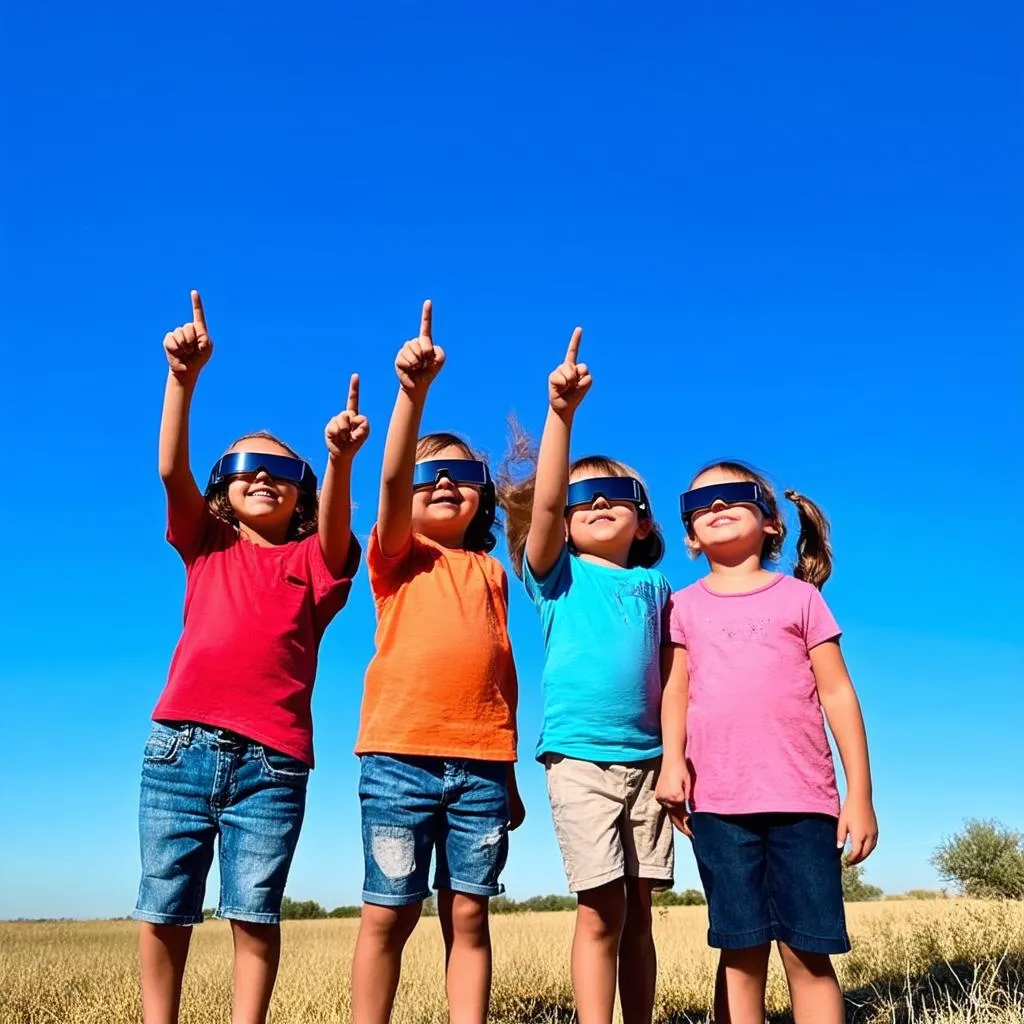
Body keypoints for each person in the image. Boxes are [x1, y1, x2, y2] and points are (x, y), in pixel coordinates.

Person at [133, 291, 367, 1024]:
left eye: (281, 469)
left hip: (272, 761)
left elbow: (336, 532)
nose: (262, 475)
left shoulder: (315, 562)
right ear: (224, 488)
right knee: (164, 907)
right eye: (243, 464)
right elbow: (172, 471)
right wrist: (183, 379)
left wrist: (336, 460)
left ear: (303, 494)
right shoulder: (208, 543)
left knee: (254, 911)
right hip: (179, 749)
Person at [350, 300, 524, 1024]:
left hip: (482, 764)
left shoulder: (492, 572)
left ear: (482, 491)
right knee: (389, 915)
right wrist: (412, 398)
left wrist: (508, 774)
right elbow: (389, 485)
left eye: (461, 472)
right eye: (431, 473)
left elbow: (501, 680)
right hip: (399, 759)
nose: (444, 482)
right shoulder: (397, 556)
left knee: (471, 917)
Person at [658, 460, 879, 1024]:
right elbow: (675, 694)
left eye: (734, 494)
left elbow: (838, 695)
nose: (715, 506)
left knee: (808, 952)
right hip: (718, 806)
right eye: (698, 503)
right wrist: (671, 763)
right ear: (688, 534)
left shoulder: (800, 598)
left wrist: (860, 795)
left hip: (804, 804)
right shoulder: (681, 607)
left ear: (772, 522)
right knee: (740, 951)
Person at [501, 328, 678, 1024]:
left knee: (641, 913)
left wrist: (677, 759)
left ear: (643, 519)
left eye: (616, 493)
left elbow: (674, 675)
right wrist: (561, 417)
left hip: (649, 763)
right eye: (583, 497)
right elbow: (542, 507)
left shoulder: (658, 587)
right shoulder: (557, 578)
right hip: (578, 758)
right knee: (599, 906)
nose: (597, 502)